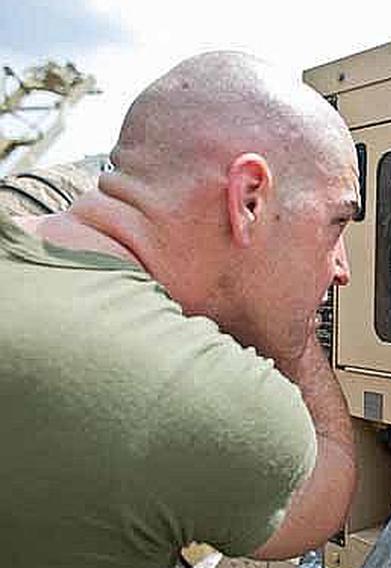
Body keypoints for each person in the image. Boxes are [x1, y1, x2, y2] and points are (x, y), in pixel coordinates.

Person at [0, 51, 359, 567]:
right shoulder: (203, 392)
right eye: (336, 225)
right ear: (249, 199)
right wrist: (293, 327)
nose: (341, 268)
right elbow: (328, 482)